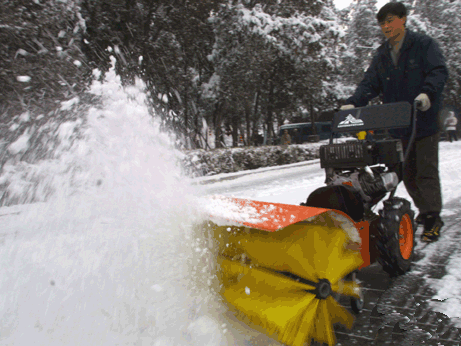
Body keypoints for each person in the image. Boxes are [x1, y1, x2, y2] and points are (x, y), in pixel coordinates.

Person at [340, 2, 449, 242]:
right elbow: (370, 83)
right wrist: (354, 102)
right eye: (382, 23)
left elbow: (439, 71)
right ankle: (425, 210)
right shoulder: (382, 54)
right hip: (398, 123)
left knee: (425, 172)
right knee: (407, 173)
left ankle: (433, 217)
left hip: (424, 120)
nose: (386, 27)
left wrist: (428, 94)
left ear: (403, 19)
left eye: (390, 20)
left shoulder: (423, 45)